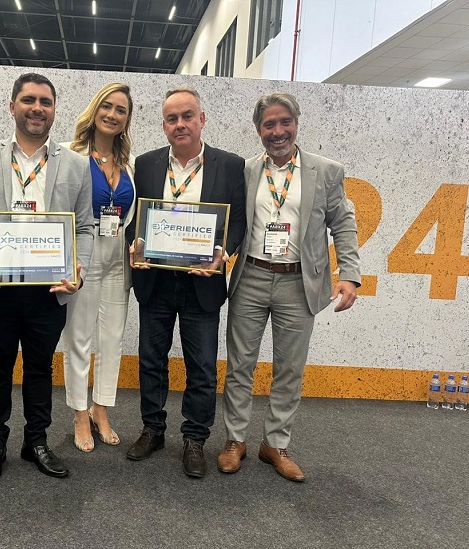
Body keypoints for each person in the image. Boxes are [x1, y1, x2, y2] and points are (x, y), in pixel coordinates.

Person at [218, 93, 360, 482]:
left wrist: (349, 272)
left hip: (300, 282)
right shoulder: (244, 171)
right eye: (269, 125)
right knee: (240, 366)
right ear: (258, 129)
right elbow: (229, 221)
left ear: (296, 123)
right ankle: (234, 440)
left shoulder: (327, 171)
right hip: (251, 277)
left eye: (284, 123)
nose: (277, 132)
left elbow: (343, 223)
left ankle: (275, 444)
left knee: (289, 369)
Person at [0, 73, 94, 483]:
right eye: (28, 100)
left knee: (40, 369)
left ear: (54, 109)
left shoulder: (75, 163)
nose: (37, 108)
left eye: (45, 101)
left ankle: (36, 441)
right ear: (12, 106)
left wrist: (79, 271)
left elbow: (86, 227)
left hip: (48, 289)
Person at [124, 87, 246, 478]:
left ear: (202, 119)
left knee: (202, 367)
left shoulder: (230, 165)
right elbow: (135, 220)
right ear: (163, 125)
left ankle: (195, 438)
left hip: (202, 282)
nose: (180, 124)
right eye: (172, 118)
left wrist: (222, 251)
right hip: (155, 281)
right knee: (150, 360)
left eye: (187, 116)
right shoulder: (145, 165)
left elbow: (239, 221)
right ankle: (153, 428)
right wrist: (136, 245)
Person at [62, 83, 136, 453]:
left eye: (120, 110)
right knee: (79, 339)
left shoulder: (128, 165)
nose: (112, 114)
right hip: (84, 257)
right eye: (106, 106)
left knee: (111, 340)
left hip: (118, 259)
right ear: (94, 110)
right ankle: (78, 412)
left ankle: (101, 408)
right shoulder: (70, 156)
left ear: (126, 120)